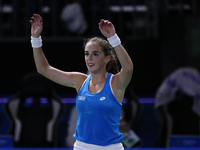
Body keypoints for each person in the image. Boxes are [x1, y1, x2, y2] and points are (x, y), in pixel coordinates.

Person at [29, 13, 133, 150]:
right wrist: (35, 39)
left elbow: (128, 68)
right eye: (87, 54)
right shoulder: (79, 80)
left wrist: (113, 38)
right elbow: (44, 69)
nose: (89, 58)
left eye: (95, 54)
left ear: (107, 58)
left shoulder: (116, 83)